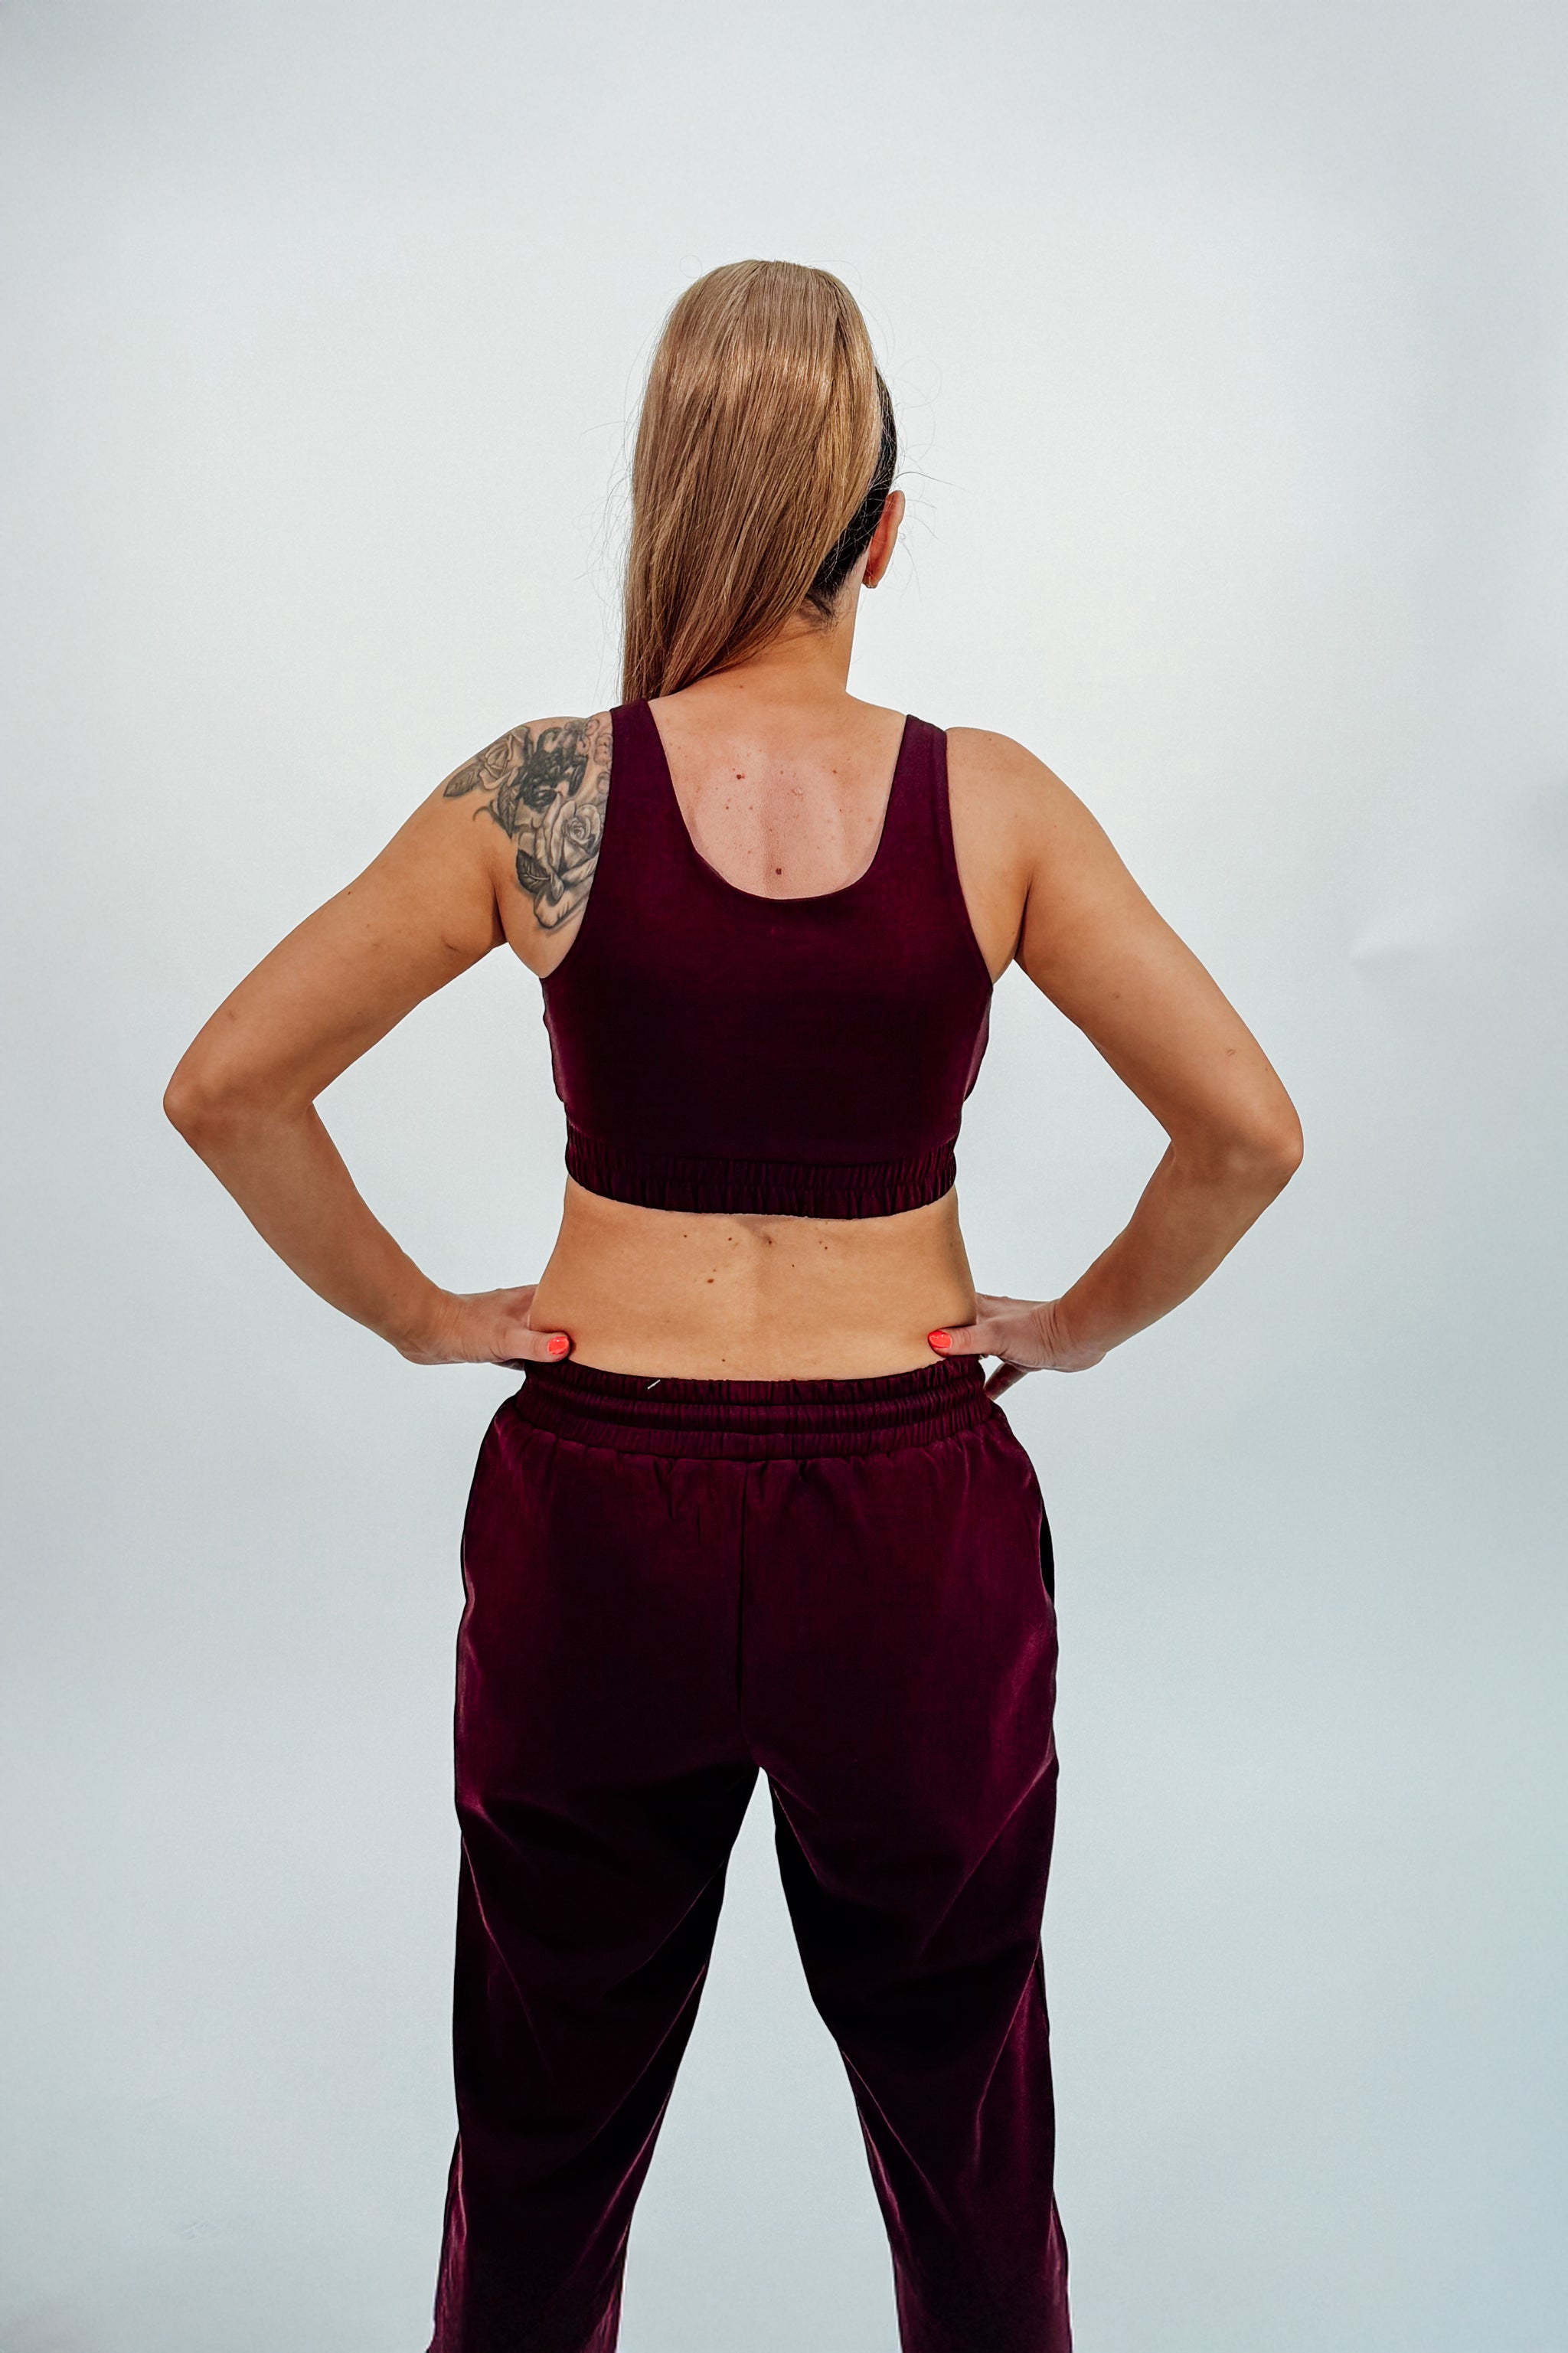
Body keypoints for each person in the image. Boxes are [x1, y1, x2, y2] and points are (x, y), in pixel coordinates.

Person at [165, 259, 1302, 2353]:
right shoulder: (994, 803)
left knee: (542, 2127)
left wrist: (421, 1315)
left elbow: (227, 1084)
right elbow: (1246, 1131)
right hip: (914, 1518)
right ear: (884, 528)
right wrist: (1073, 1326)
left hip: (603, 1509)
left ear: (668, 500)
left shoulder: (544, 794)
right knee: (967, 2127)